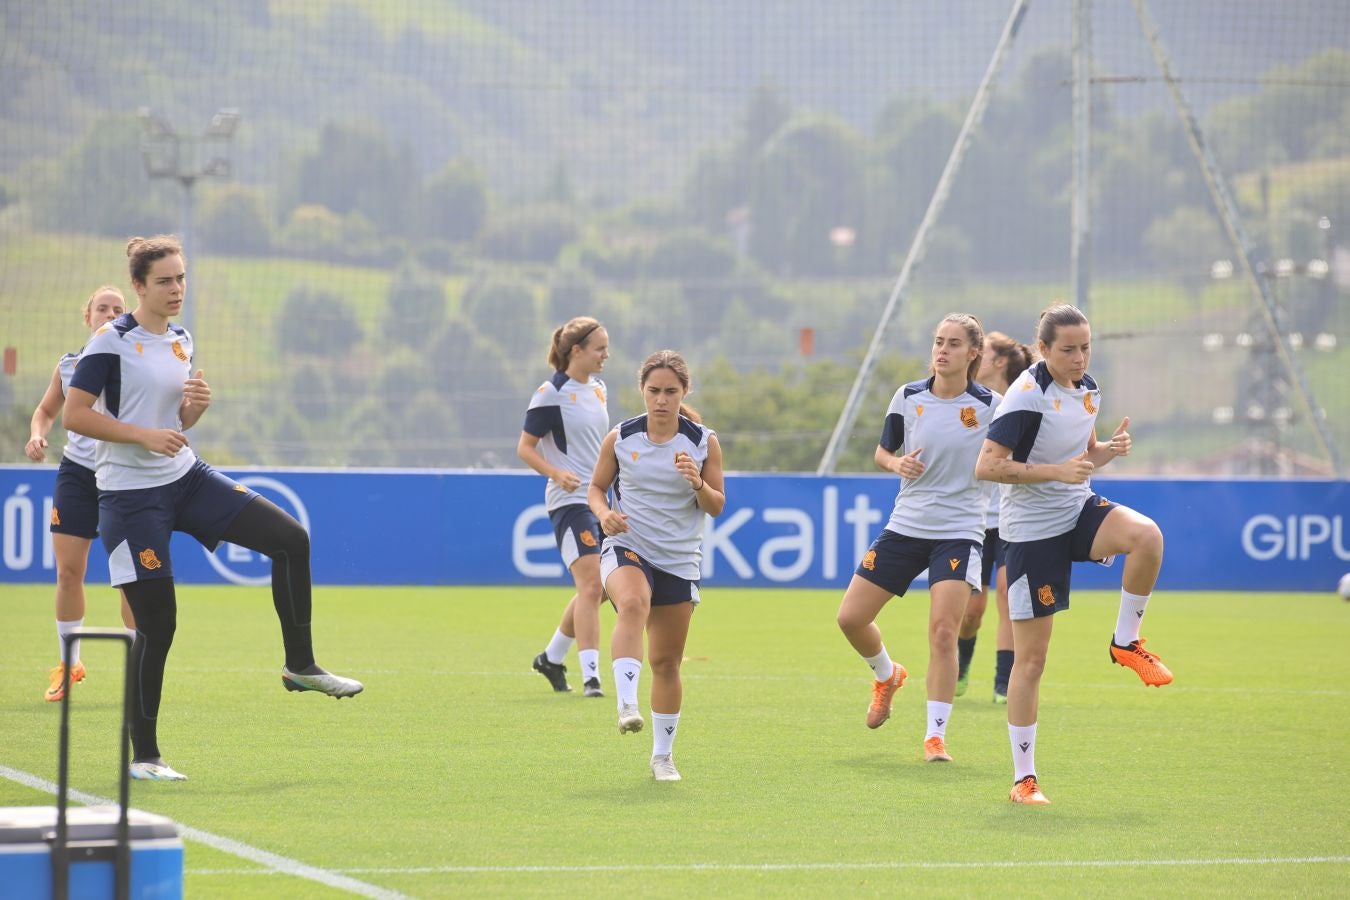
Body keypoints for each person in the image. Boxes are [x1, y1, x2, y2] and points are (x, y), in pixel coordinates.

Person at [63, 236, 363, 782]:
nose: (176, 289)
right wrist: (143, 436)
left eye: (181, 278)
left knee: (291, 539)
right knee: (159, 624)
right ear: (138, 286)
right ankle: (145, 758)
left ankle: (300, 665)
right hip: (130, 499)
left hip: (186, 478)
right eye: (164, 280)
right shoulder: (109, 341)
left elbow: (176, 425)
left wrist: (190, 412)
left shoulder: (181, 339)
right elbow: (75, 415)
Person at [976, 303, 1170, 806]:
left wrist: (1107, 450)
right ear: (1043, 350)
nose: (1080, 357)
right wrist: (1055, 472)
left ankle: (1126, 642)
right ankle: (1024, 780)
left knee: (1147, 537)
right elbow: (989, 467)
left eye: (1086, 347)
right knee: (1032, 661)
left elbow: (1079, 459)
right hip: (1031, 533)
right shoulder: (1024, 396)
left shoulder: (1087, 389)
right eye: (1068, 349)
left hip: (1075, 510)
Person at [836, 313, 997, 764]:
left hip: (960, 531)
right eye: (937, 342)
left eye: (953, 344)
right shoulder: (908, 397)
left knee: (943, 631)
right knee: (849, 618)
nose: (942, 351)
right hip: (906, 525)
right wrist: (896, 464)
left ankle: (935, 736)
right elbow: (883, 451)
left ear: (972, 353)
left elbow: (1013, 452)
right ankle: (887, 675)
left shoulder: (992, 406)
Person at [587, 350, 724, 782]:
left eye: (670, 391)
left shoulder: (702, 441)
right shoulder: (622, 438)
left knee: (666, 663)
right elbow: (595, 488)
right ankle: (626, 702)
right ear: (642, 392)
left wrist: (696, 481)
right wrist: (604, 513)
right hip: (628, 546)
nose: (661, 400)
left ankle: (662, 756)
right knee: (632, 603)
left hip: (679, 560)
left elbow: (716, 505)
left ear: (684, 392)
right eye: (653, 391)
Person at [25, 286, 137, 702]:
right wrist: (38, 435)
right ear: (87, 315)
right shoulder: (69, 364)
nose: (110, 314)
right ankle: (69, 664)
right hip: (77, 473)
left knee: (130, 577)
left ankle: (138, 673)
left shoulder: (134, 360)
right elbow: (46, 411)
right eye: (102, 308)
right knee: (68, 572)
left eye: (118, 309)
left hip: (124, 476)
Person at [517, 317, 611, 697]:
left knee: (602, 587)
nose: (607, 354)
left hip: (599, 499)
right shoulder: (551, 392)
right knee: (591, 585)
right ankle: (592, 677)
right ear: (577, 351)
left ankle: (552, 657)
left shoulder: (600, 389)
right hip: (570, 501)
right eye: (600, 348)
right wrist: (556, 472)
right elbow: (525, 447)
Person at [956, 331, 1033, 705]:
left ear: (999, 361)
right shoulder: (972, 404)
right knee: (971, 610)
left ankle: (1003, 682)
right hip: (973, 521)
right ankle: (961, 667)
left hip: (1011, 519)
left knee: (1008, 595)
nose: (974, 357)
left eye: (981, 352)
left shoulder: (1018, 403)